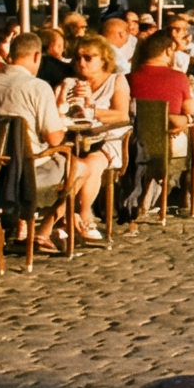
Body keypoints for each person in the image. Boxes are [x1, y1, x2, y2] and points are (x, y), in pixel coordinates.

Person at [0, 32, 71, 252]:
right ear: (37, 56)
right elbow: (54, 137)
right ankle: (42, 231)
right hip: (29, 167)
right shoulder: (38, 87)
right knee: (80, 168)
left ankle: (21, 223)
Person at [123, 32, 194, 217]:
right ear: (168, 50)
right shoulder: (178, 78)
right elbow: (191, 110)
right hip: (169, 139)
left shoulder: (129, 78)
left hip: (135, 141)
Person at [56, 33, 134, 239]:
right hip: (76, 140)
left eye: (88, 58)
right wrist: (61, 99)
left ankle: (83, 215)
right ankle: (66, 217)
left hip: (110, 139)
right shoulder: (71, 83)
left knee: (91, 164)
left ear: (103, 60)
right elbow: (58, 114)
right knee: (68, 162)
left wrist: (92, 108)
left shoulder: (117, 81)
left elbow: (121, 115)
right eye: (78, 58)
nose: (82, 63)